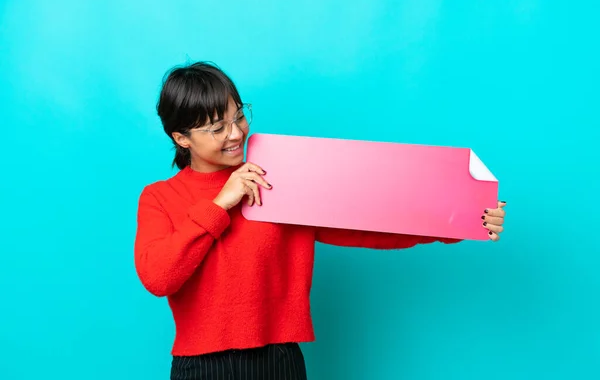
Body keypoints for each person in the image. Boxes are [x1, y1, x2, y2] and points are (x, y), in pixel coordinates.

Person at [134, 61, 507, 380]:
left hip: (279, 360)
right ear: (181, 137)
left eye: (239, 116)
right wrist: (221, 203)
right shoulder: (160, 198)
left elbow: (366, 224)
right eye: (217, 128)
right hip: (200, 367)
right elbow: (159, 276)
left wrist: (457, 220)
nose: (235, 134)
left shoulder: (278, 178)